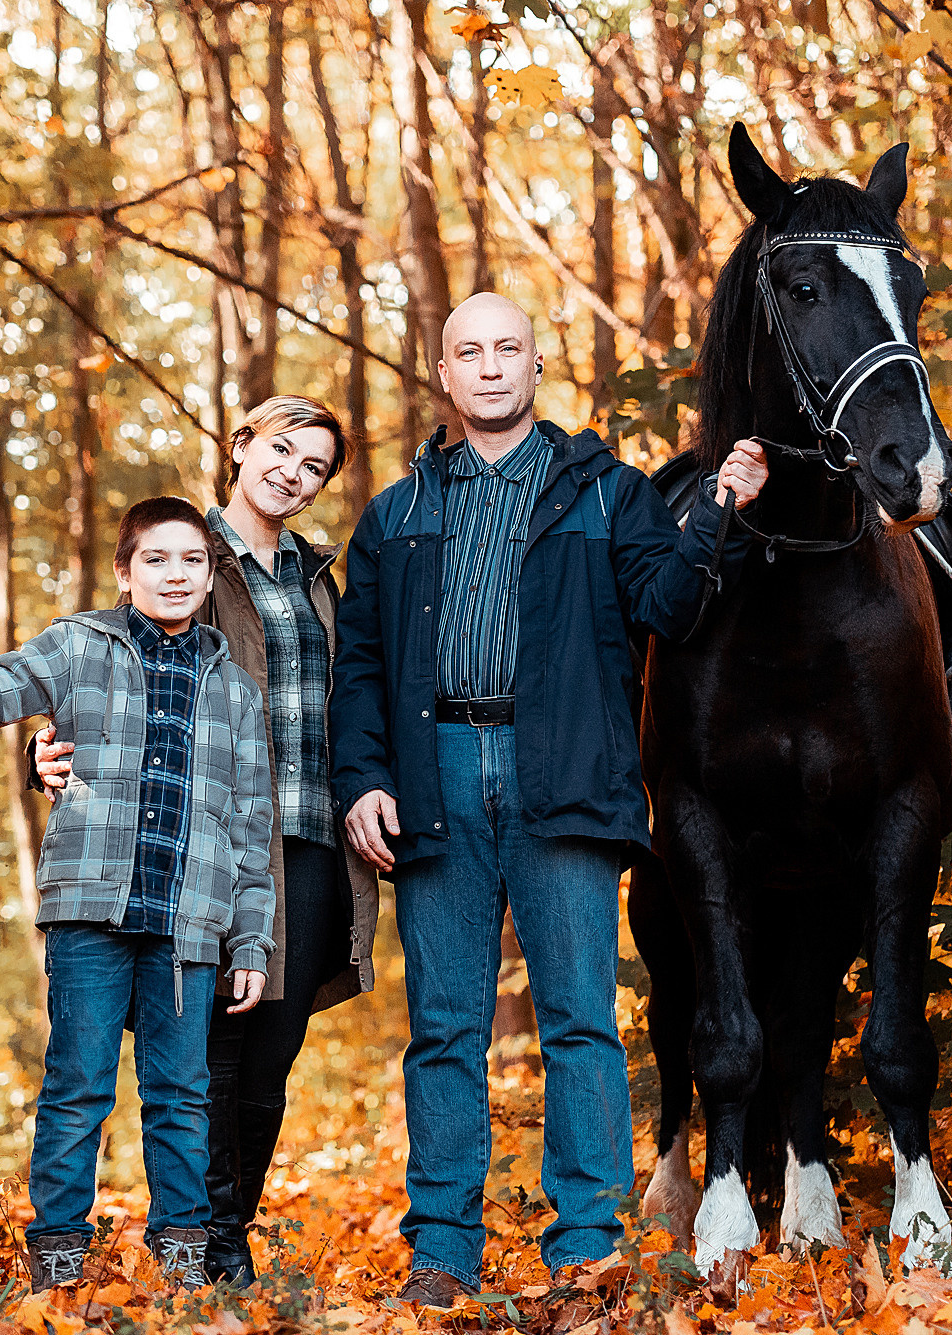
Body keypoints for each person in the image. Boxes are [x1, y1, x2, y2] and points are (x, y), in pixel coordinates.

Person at [330, 293, 770, 1304]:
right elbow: (356, 665)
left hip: (562, 776)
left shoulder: (607, 494)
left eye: (506, 350)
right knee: (443, 1028)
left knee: (579, 1021)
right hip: (432, 780)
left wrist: (721, 508)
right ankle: (440, 1252)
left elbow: (671, 604)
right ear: (444, 376)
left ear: (536, 367)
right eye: (467, 353)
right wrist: (360, 781)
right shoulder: (396, 516)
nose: (487, 367)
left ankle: (583, 1249)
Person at [0, 497, 275, 1294]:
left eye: (192, 561)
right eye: (156, 560)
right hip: (90, 913)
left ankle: (179, 1257)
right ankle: (58, 1251)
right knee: (78, 1086)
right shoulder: (76, 646)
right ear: (126, 573)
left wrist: (252, 941)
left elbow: (250, 821)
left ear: (209, 578)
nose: (175, 574)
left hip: (189, 924)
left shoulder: (234, 688)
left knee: (181, 1097)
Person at [33, 395, 380, 1285]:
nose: (292, 475)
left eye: (313, 468)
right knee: (205, 1052)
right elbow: (98, 662)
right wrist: (43, 748)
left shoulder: (316, 574)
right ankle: (204, 1248)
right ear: (241, 446)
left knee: (270, 1054)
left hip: (304, 838)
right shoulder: (186, 550)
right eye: (281, 451)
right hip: (201, 844)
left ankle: (222, 1232)